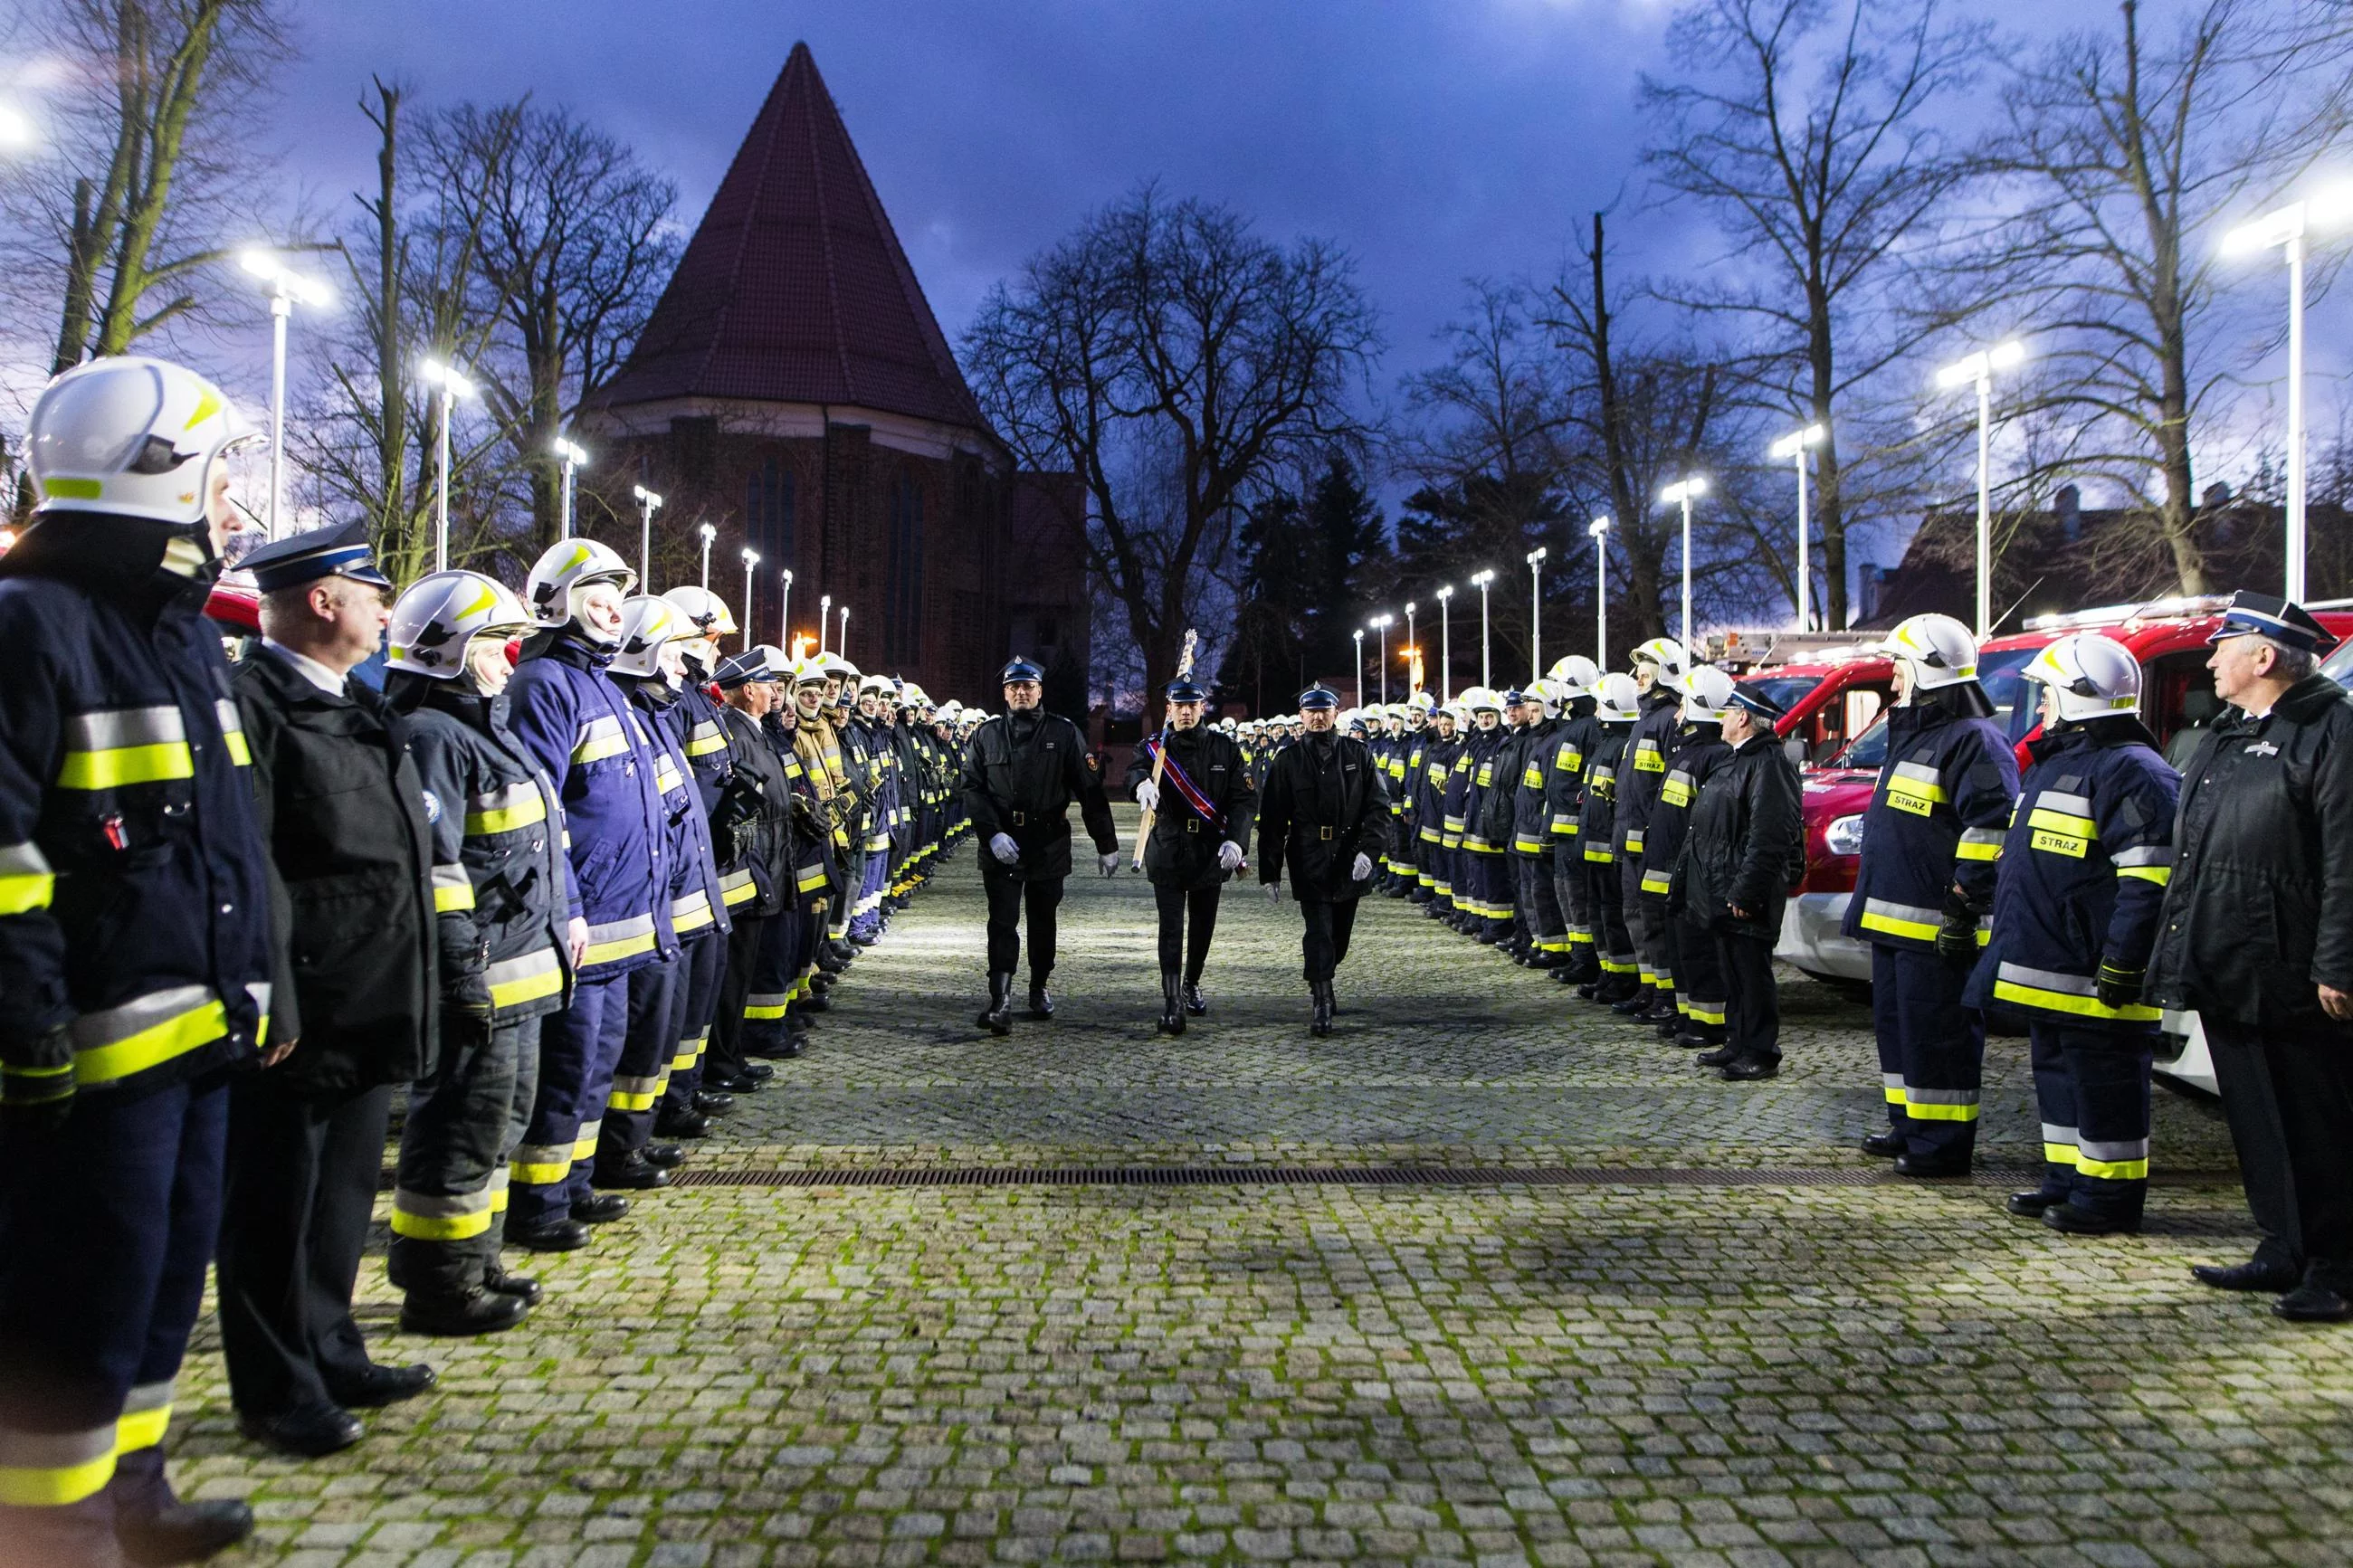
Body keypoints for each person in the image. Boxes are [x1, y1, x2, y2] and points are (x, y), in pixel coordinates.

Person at [0, 356, 272, 1565]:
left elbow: (229, 841)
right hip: (91, 1053)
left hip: (194, 1036)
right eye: (218, 479)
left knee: (163, 1285)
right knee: (76, 1307)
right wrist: (25, 1028)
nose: (233, 507)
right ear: (154, 477)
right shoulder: (32, 625)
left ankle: (136, 1490)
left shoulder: (180, 639)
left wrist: (259, 986)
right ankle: (53, 1530)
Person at [219, 518, 438, 1459]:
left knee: (342, 1195)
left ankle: (331, 1343)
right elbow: (246, 860)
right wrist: (268, 988)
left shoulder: (353, 702)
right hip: (301, 1004)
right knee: (275, 1205)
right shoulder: (255, 705)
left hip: (368, 991)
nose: (387, 609)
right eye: (373, 592)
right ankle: (276, 1386)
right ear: (322, 599)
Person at [2148, 593, 2353, 1320]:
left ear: (2264, 657)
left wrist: (2338, 962)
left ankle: (2335, 1267)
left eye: (2222, 645)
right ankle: (2280, 1246)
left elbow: (2346, 859)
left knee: (2314, 1122)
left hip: (2294, 970)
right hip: (2230, 957)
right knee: (2258, 1119)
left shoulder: (2333, 730)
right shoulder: (2232, 732)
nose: (2210, 659)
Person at [380, 570, 569, 1335]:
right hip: (483, 975)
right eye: (492, 643)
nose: (508, 657)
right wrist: (460, 971)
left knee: (499, 1124)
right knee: (459, 1128)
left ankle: (477, 1257)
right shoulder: (433, 736)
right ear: (445, 651)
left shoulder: (484, 727)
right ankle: (438, 1283)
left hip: (518, 971)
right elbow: (437, 867)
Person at [1966, 633, 2177, 1236]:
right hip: (2056, 971)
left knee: (2106, 1087)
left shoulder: (2134, 772)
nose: (2041, 710)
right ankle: (2068, 1179)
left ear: (2080, 697)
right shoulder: (2066, 762)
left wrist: (2123, 961)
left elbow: (2150, 877)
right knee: (2060, 1079)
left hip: (2096, 974)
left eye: (2049, 696)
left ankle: (2108, 1198)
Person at [501, 539, 672, 1250]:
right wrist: (565, 905)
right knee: (567, 1066)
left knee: (597, 1061)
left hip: (621, 918)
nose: (608, 609)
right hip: (586, 919)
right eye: (594, 596)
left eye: (613, 598)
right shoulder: (545, 683)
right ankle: (536, 1205)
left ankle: (571, 1186)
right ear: (559, 603)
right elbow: (540, 811)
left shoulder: (602, 683)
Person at [1843, 613, 2019, 1177]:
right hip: (1898, 924)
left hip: (1940, 927)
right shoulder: (1919, 736)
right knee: (1901, 1033)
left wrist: (1966, 901)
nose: (1893, 681)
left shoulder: (1974, 742)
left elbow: (1991, 827)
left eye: (1900, 668)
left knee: (1939, 1036)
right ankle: (1910, 1126)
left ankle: (1941, 1146)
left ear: (1927, 669)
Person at [960, 657, 1119, 1034]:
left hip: (1048, 843)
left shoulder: (1064, 734)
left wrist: (1106, 843)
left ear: (1040, 691)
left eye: (1028, 686)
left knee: (1043, 922)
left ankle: (1039, 985)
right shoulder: (987, 735)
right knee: (1001, 922)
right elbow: (972, 788)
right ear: (1005, 693)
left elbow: (1089, 790)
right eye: (1014, 687)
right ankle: (1000, 1000)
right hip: (1002, 843)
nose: (1021, 692)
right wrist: (991, 833)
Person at [1681, 681, 1805, 1081]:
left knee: (1753, 975)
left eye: (1728, 712)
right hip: (1723, 889)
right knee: (1733, 970)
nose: (1722, 718)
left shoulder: (1768, 763)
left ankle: (1760, 1051)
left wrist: (1746, 892)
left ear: (1744, 718)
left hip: (1744, 893)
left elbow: (1770, 837)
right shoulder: (1735, 759)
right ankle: (1737, 1042)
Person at [1256, 685, 1394, 1036]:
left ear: (1336, 714)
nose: (1318, 717)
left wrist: (1369, 851)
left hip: (1349, 858)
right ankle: (1321, 999)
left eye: (1324, 711)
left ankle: (1326, 977)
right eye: (1311, 712)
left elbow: (1378, 807)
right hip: (1308, 858)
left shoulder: (1358, 754)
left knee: (1339, 938)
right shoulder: (1287, 761)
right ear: (1301, 717)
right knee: (1318, 933)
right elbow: (1272, 819)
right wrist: (1269, 872)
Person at [1126, 676, 1256, 1034]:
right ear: (1168, 709)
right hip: (1168, 847)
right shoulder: (1154, 747)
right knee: (1170, 928)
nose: (1185, 712)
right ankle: (1171, 1002)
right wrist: (1141, 784)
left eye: (1191, 706)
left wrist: (1236, 842)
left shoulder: (1224, 749)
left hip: (1209, 852)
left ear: (1202, 708)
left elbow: (1243, 800)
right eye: (1178, 706)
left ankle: (1192, 981)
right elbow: (1134, 769)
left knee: (1202, 926)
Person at [1646, 670, 1735, 1049]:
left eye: (1683, 704)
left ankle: (1709, 1022)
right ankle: (1688, 1015)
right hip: (1672, 867)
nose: (1677, 713)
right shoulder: (1689, 753)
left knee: (1700, 951)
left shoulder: (1714, 757)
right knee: (1681, 950)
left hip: (1692, 872)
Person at [1616, 640, 1690, 1025]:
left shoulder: (1668, 720)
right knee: (1636, 917)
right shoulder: (1644, 720)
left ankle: (1667, 994)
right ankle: (1649, 987)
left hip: (1653, 845)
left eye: (1646, 671)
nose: (1639, 677)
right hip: (1631, 842)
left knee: (1656, 922)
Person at [1543, 658, 1604, 986]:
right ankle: (1580, 956)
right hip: (1561, 829)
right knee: (1567, 895)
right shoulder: (1571, 725)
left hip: (1575, 831)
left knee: (1578, 897)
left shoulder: (1587, 727)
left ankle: (1587, 959)